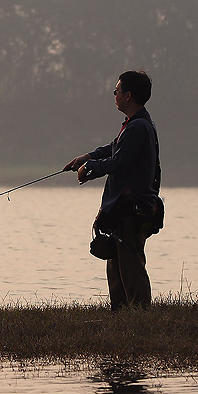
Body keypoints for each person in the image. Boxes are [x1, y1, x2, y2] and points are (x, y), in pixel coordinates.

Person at [64, 69, 161, 310]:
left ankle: (139, 317)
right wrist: (87, 157)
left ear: (128, 95)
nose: (114, 95)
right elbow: (114, 148)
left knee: (130, 267)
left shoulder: (138, 127)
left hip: (131, 208)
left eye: (116, 91)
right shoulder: (134, 124)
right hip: (122, 209)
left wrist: (90, 169)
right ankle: (121, 318)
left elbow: (119, 163)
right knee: (116, 266)